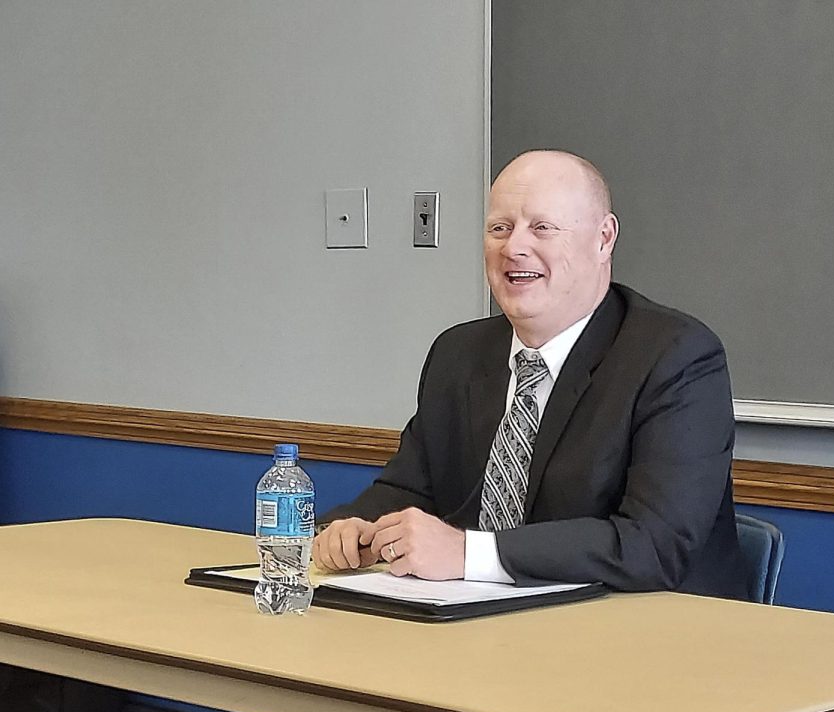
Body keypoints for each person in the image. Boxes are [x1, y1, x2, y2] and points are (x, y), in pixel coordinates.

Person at [313, 150, 748, 599]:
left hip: (651, 636)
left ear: (603, 239)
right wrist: (356, 532)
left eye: (542, 228)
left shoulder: (675, 356)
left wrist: (467, 553)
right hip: (481, 629)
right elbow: (408, 490)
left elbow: (653, 545)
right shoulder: (457, 353)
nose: (514, 247)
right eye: (499, 228)